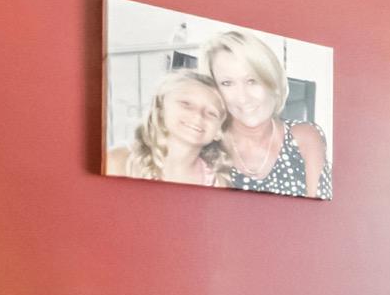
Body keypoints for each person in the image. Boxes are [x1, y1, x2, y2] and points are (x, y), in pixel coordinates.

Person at [203, 29, 332, 199]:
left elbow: (324, 218)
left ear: (273, 81)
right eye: (227, 83)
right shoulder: (204, 146)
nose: (242, 98)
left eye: (252, 81)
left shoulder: (305, 137)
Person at [105, 70, 230, 186]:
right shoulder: (118, 162)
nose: (198, 115)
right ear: (160, 110)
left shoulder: (218, 182)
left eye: (212, 113)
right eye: (186, 104)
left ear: (218, 132)